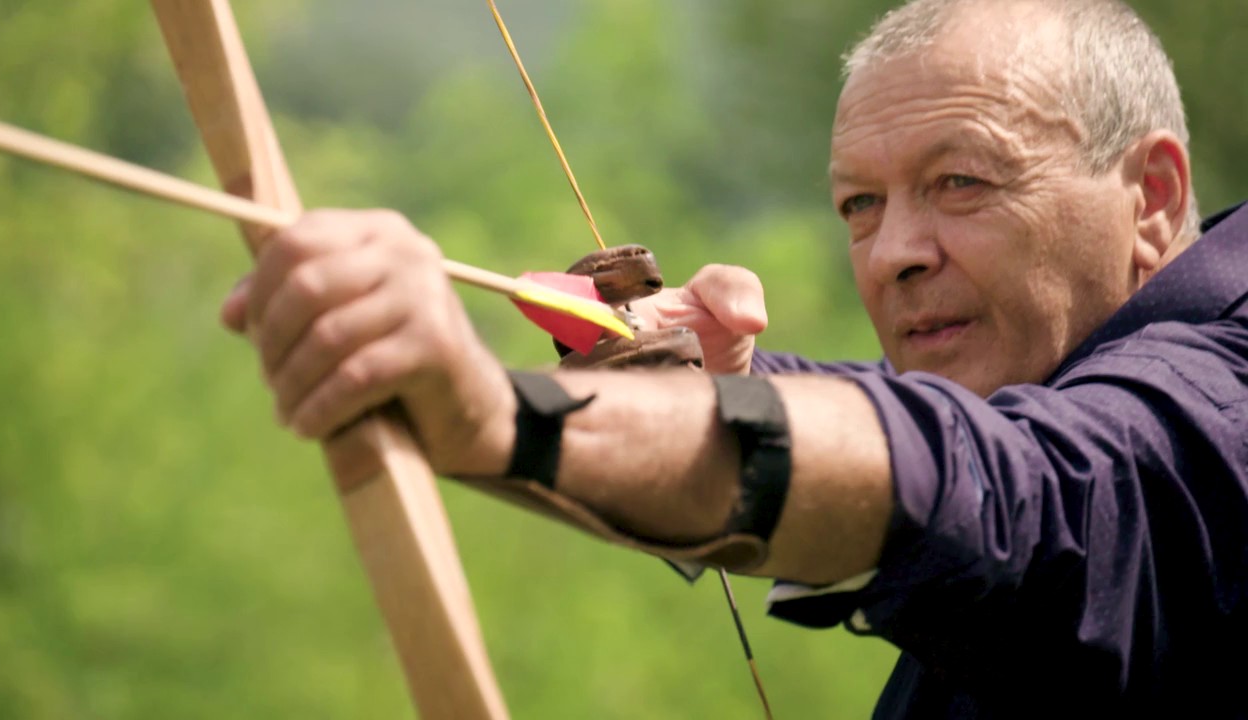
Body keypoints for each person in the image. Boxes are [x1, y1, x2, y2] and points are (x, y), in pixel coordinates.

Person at [220, 0, 1248, 715]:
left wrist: (491, 413)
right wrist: (723, 400)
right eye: (859, 204)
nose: (892, 253)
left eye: (962, 184)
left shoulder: (1215, 406)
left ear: (1149, 197)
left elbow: (1007, 483)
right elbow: (924, 441)